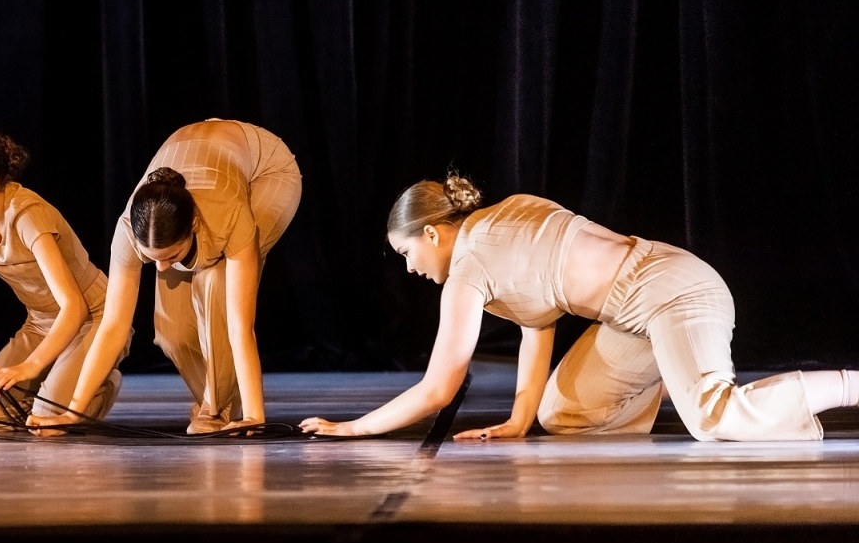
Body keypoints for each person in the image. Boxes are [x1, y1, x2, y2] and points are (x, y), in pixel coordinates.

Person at [300, 174, 859, 441]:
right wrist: (519, 421)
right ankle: (676, 368)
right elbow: (536, 328)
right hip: (634, 317)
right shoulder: (507, 213)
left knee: (714, 418)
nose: (410, 268)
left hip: (673, 291)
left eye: (407, 253)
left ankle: (849, 385)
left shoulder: (469, 265)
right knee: (561, 414)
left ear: (432, 233)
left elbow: (438, 388)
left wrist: (353, 429)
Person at [35, 119, 301, 435]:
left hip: (265, 170)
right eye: (152, 258)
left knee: (215, 280)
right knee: (172, 330)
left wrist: (257, 416)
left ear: (194, 228)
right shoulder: (129, 231)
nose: (161, 269)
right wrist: (73, 411)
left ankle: (216, 410)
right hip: (205, 158)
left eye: (171, 256)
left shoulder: (228, 217)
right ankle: (220, 402)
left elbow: (240, 327)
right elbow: (113, 325)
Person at [0, 126, 125, 427]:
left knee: (52, 418)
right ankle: (57, 382)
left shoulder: (27, 215)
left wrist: (31, 366)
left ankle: (101, 380)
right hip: (42, 323)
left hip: (95, 318)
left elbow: (75, 307)